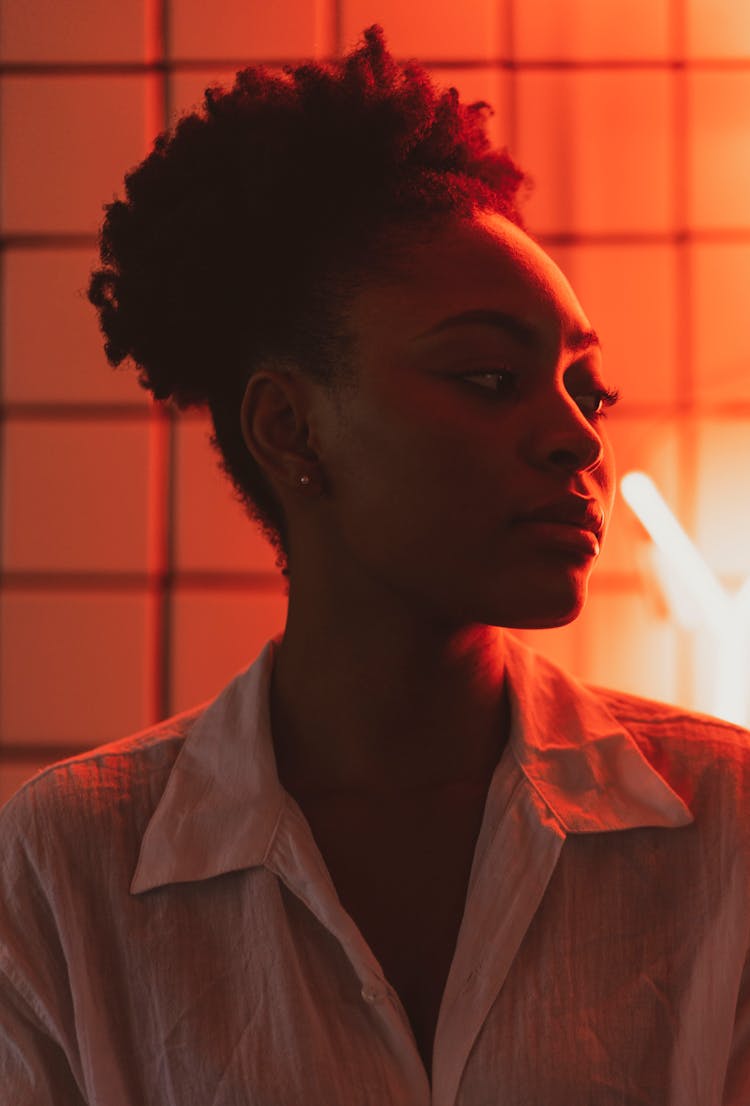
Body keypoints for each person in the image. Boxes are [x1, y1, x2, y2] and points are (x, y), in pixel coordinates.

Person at [1, 23, 749, 1106]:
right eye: (492, 377)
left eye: (589, 391)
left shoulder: (724, 825)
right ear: (291, 429)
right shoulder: (71, 862)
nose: (580, 440)